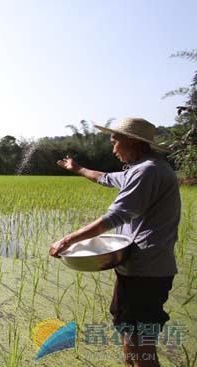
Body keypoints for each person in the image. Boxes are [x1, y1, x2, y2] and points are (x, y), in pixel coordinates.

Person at [48, 117, 181, 367]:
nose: (113, 149)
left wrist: (67, 239)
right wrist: (76, 168)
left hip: (146, 271)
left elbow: (114, 217)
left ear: (131, 141)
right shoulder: (144, 167)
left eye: (115, 141)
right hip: (144, 269)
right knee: (128, 328)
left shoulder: (146, 171)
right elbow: (105, 178)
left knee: (141, 341)